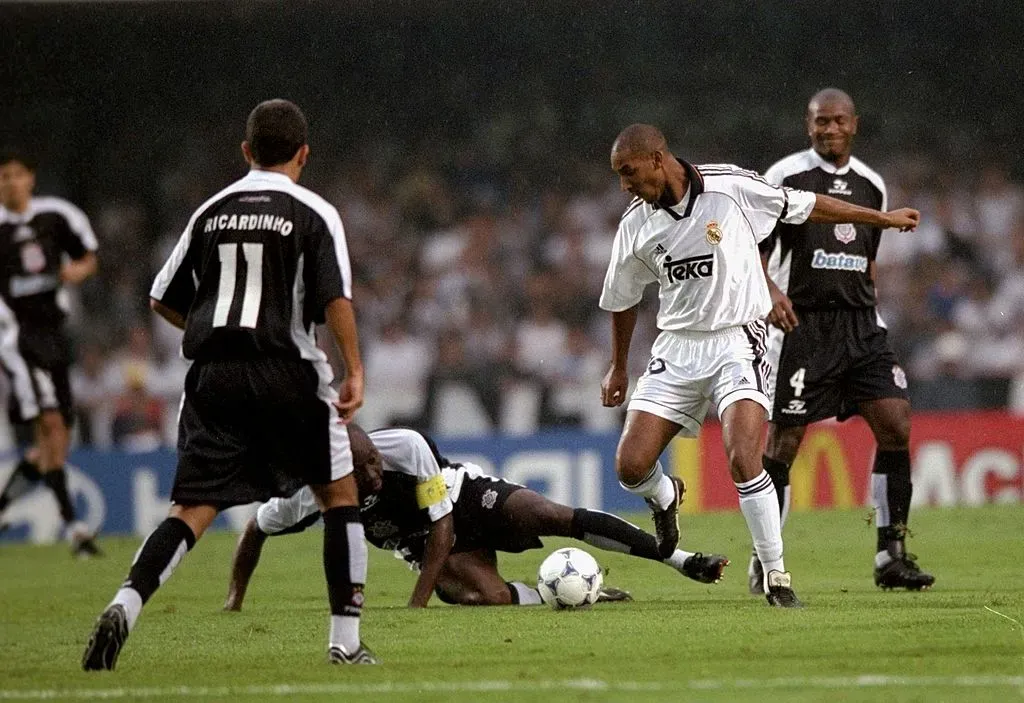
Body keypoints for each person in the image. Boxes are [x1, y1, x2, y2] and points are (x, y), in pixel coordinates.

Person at [82, 99, 376, 670]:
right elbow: (334, 296)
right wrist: (355, 369)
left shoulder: (210, 211)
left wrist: (211, 326)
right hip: (287, 369)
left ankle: (126, 602)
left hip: (213, 378)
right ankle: (344, 642)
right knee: (339, 497)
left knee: (191, 509)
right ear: (304, 154)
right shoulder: (314, 212)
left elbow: (161, 297)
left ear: (245, 152)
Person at [599, 124, 920, 608]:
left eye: (628, 172)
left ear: (658, 159)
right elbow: (623, 299)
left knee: (743, 458)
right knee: (630, 466)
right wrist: (618, 367)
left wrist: (882, 220)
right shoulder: (636, 223)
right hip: (677, 346)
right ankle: (666, 498)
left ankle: (776, 574)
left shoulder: (730, 187)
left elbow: (809, 206)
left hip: (738, 339)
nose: (624, 184)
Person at [223, 424, 730, 611]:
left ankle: (681, 559)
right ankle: (569, 594)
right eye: (363, 469)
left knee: (547, 513)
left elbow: (443, 523)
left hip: (461, 500)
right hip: (424, 548)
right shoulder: (310, 497)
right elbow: (254, 530)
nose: (376, 472)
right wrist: (234, 599)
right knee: (479, 595)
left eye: (375, 460)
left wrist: (417, 604)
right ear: (338, 471)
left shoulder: (405, 446)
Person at [751, 89, 935, 593]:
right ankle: (768, 561)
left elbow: (867, 258)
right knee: (785, 441)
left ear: (854, 124)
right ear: (806, 125)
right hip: (801, 326)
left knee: (895, 422)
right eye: (819, 122)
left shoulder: (871, 184)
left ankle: (890, 555)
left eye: (837, 121)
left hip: (860, 323)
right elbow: (752, 249)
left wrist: (869, 305)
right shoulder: (785, 176)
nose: (828, 130)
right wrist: (768, 291)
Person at [0, 151, 100, 556]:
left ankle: (6, 507)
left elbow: (87, 257)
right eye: (3, 176)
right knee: (52, 424)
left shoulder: (57, 216)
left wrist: (78, 270)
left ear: (31, 179)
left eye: (16, 174)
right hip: (16, 337)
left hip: (55, 336)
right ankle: (75, 527)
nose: (10, 182)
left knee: (52, 444)